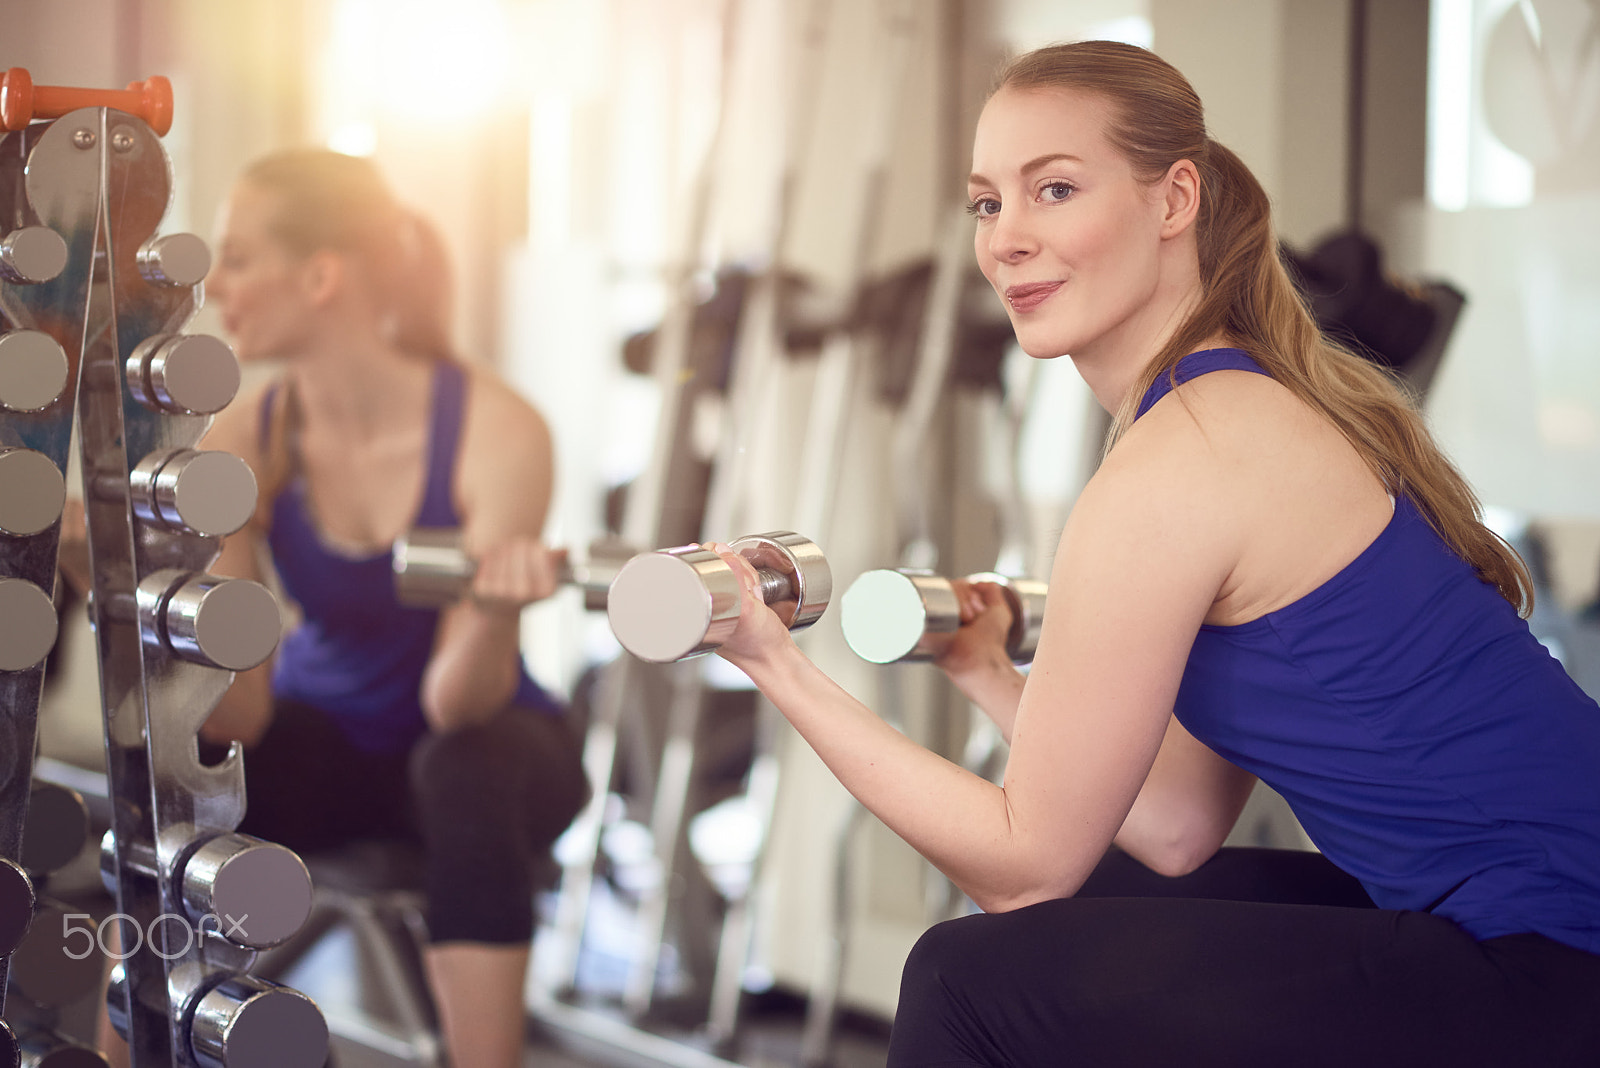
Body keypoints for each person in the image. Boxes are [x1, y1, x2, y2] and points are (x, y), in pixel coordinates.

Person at [704, 41, 1600, 1066]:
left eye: (1054, 189)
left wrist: (774, 661)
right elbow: (1174, 823)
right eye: (988, 204)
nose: (1007, 241)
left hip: (1550, 960)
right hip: (1539, 933)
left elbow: (1021, 866)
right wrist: (989, 673)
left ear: (1173, 199)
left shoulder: (1179, 464)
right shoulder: (1228, 410)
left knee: (965, 980)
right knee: (1115, 896)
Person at [169, 148, 583, 1068]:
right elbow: (243, 709)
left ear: (320, 275)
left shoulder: (497, 431)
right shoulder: (241, 439)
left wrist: (502, 605)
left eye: (238, 258)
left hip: (493, 745)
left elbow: (452, 704)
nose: (217, 284)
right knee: (190, 779)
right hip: (333, 748)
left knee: (460, 764)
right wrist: (131, 587)